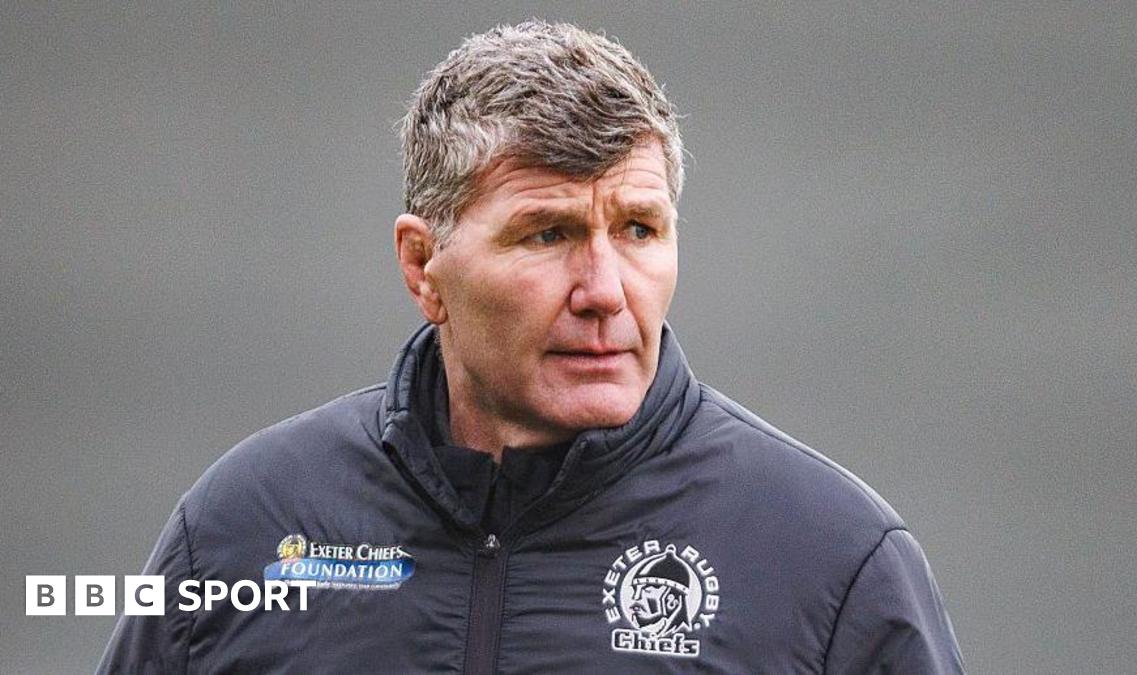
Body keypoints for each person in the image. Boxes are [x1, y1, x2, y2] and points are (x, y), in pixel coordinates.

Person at [98, 20, 964, 674]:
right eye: (548, 234)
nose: (605, 289)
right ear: (423, 265)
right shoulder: (245, 526)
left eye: (638, 228)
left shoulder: (832, 561)